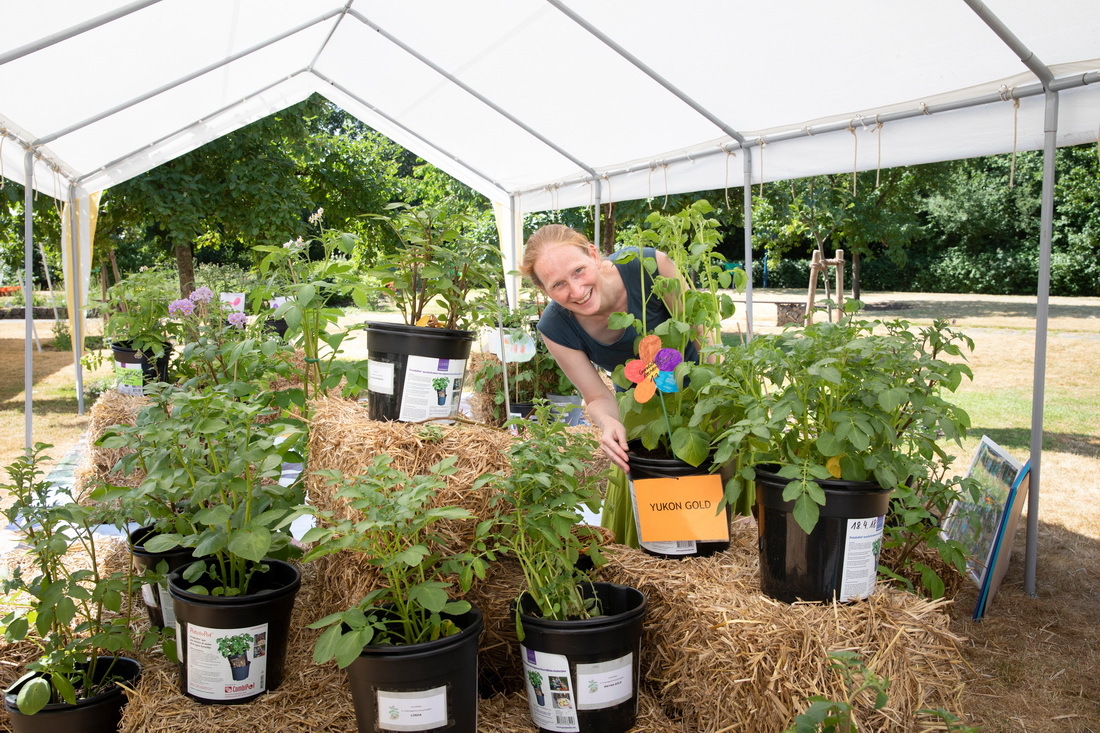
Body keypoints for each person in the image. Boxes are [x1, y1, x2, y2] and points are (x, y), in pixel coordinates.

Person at [519, 224, 699, 545]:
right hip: (643, 424)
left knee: (708, 525)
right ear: (546, 291)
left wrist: (718, 400)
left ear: (592, 254)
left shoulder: (648, 266)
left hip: (698, 406)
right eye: (558, 284)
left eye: (578, 271)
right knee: (660, 539)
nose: (576, 291)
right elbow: (597, 395)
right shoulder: (555, 326)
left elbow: (703, 335)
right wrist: (609, 423)